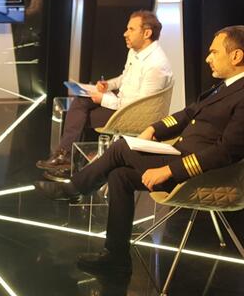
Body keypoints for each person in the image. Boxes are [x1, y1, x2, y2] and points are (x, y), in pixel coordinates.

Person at [35, 25, 244, 276]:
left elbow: (227, 151)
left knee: (121, 147)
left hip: (198, 172)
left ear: (236, 56)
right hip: (181, 157)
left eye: (214, 52)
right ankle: (116, 257)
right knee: (119, 175)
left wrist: (170, 170)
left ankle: (74, 189)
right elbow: (187, 114)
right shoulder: (224, 87)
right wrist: (154, 129)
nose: (208, 58)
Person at [38, 10, 173, 180]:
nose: (125, 34)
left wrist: (104, 99)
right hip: (124, 102)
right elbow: (125, 77)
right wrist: (108, 85)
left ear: (147, 33)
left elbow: (141, 106)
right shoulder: (135, 52)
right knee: (81, 101)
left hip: (134, 113)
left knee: (80, 117)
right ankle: (66, 156)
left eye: (131, 29)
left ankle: (69, 160)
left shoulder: (156, 66)